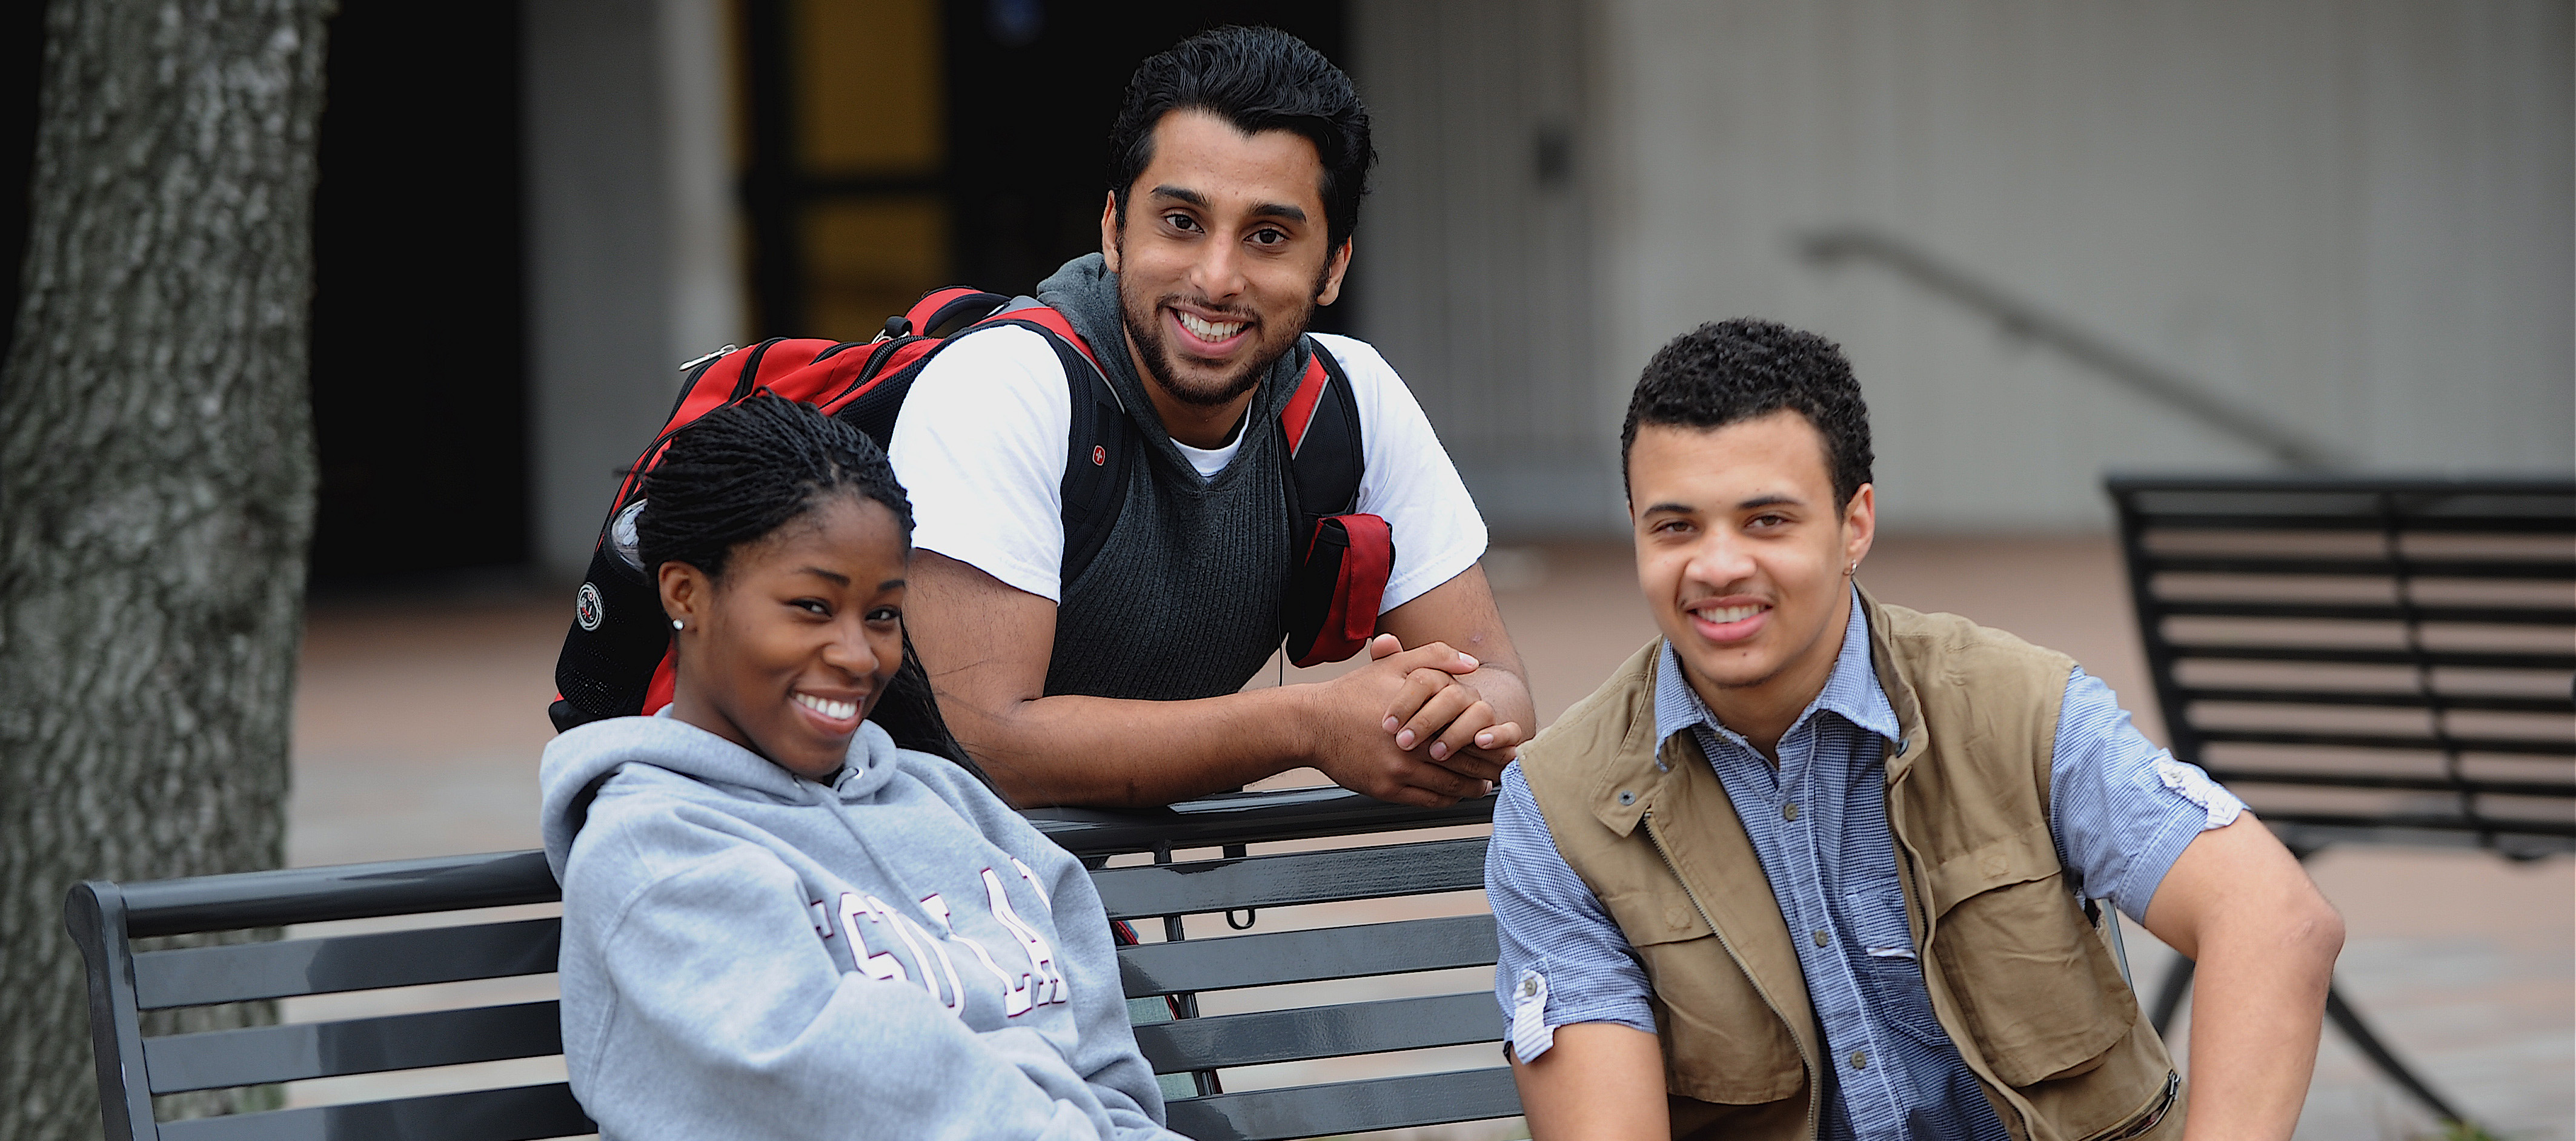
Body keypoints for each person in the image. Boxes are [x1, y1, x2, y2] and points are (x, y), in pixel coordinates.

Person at [1486, 320, 2345, 1140]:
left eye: (1767, 521)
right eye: (1674, 527)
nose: (1716, 566)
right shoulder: (1562, 812)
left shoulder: (2017, 708)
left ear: (1855, 523)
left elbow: (2274, 920)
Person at [890, 25, 1533, 809]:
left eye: (1268, 237)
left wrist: (1449, 714)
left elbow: (1502, 693)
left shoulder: (1348, 400)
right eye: (1182, 223)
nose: (1217, 278)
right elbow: (985, 743)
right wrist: (1309, 725)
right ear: (1113, 229)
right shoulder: (1008, 386)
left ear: (1333, 267)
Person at [538, 395, 1184, 1141]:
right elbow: (839, 1092)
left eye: (881, 615)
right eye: (812, 606)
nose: (857, 655)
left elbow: (1115, 1089)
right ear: (686, 594)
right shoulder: (655, 848)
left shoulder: (952, 803)